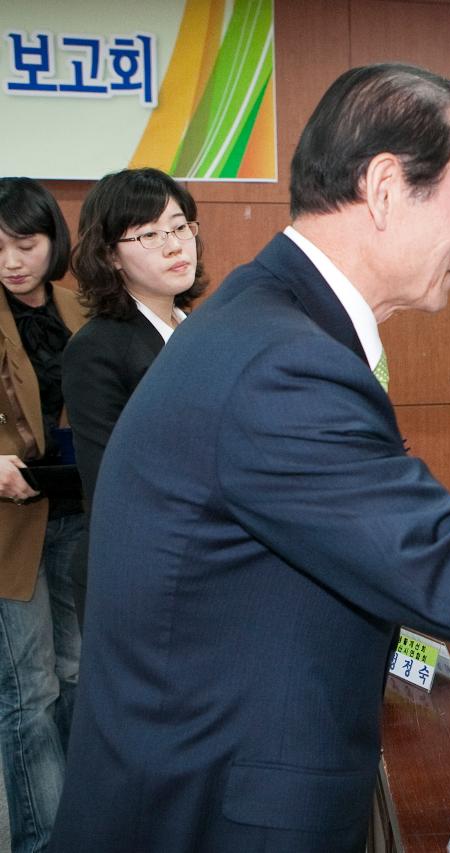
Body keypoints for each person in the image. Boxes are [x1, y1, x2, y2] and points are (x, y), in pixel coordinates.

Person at [50, 64, 450, 853]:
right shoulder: (283, 362)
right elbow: (448, 572)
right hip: (210, 813)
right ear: (388, 186)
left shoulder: (268, 321)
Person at [60, 168, 206, 626]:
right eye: (148, 235)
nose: (173, 244)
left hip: (207, 565)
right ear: (111, 256)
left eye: (180, 226)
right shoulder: (97, 346)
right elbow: (110, 482)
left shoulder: (203, 331)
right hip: (140, 576)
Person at [0, 178, 87, 853]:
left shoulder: (77, 305)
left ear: (52, 240)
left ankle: (88, 822)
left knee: (76, 670)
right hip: (11, 525)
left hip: (77, 510)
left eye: (24, 243)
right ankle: (42, 840)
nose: (10, 259)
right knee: (28, 690)